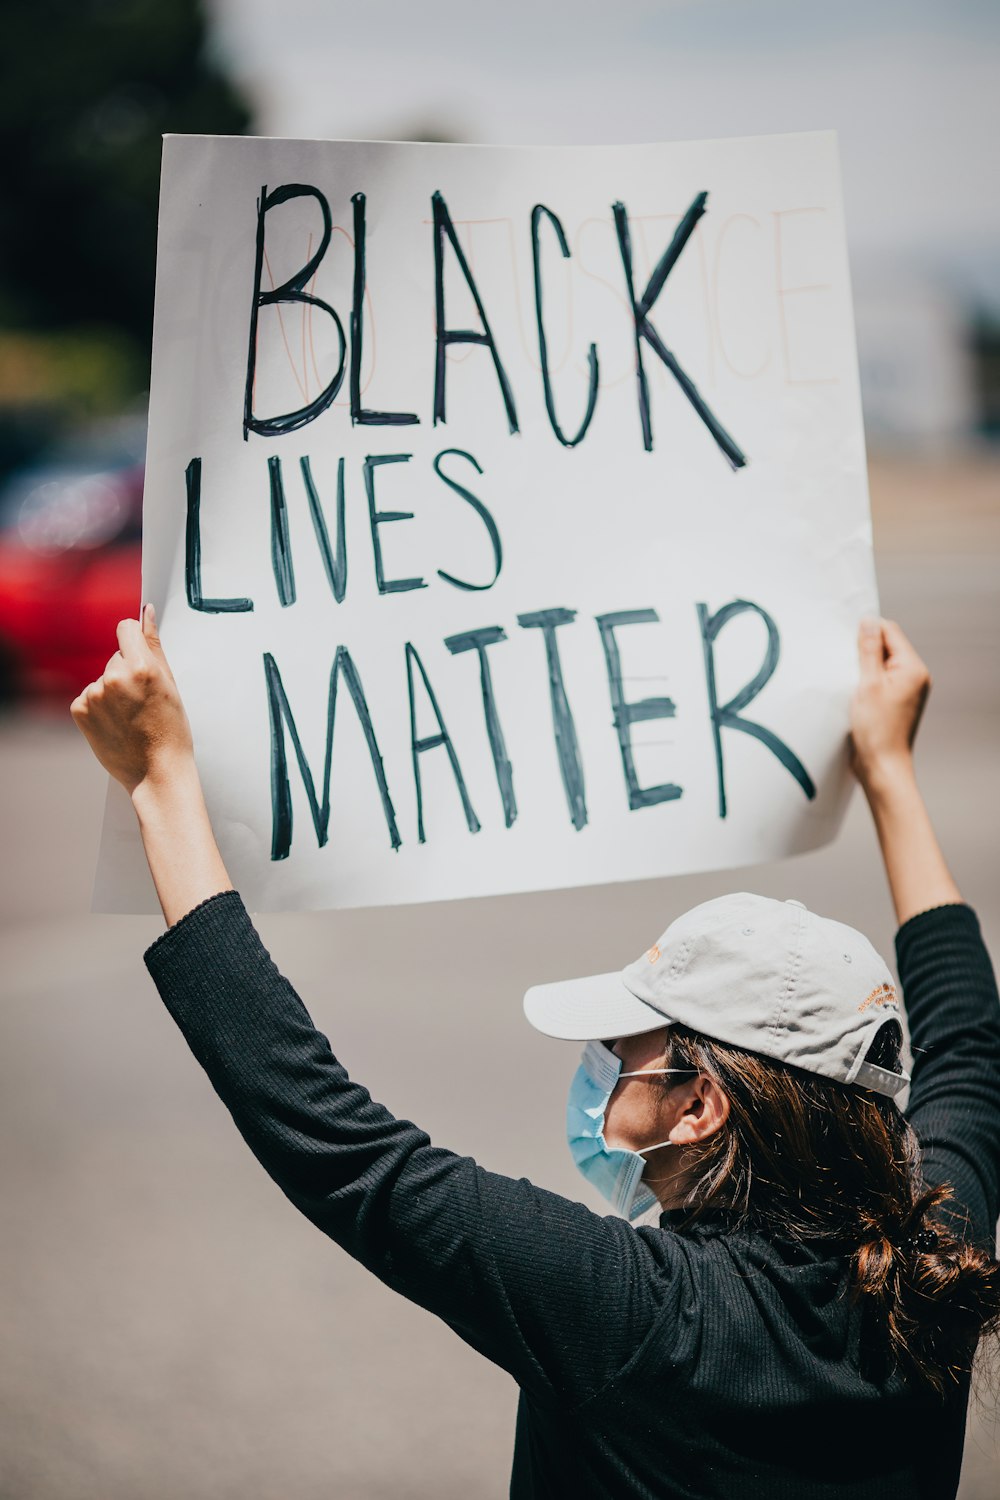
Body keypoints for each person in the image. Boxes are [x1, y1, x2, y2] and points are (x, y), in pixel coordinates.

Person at [70, 609, 1000, 1499]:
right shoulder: (935, 1262)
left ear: (698, 1107)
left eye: (622, 1041)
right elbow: (967, 1046)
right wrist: (888, 768)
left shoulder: (641, 1316)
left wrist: (162, 783)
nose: (599, 1061)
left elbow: (333, 1138)